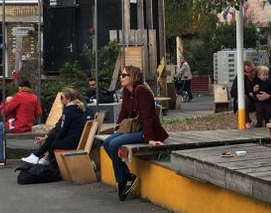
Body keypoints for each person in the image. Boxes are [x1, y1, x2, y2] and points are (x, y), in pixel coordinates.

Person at [101, 65, 168, 201]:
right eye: (121, 75)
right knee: (107, 142)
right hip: (134, 128)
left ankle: (123, 180)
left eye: (124, 75)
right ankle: (127, 175)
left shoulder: (141, 91)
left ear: (133, 77)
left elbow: (147, 116)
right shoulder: (127, 91)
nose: (121, 77)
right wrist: (118, 127)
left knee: (114, 144)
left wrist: (149, 138)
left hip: (147, 131)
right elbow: (124, 112)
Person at [22, 88, 88, 165]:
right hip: (76, 140)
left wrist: (52, 139)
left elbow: (62, 129)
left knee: (53, 143)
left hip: (71, 142)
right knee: (53, 138)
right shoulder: (76, 109)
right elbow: (60, 126)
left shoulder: (69, 111)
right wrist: (48, 137)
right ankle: (40, 157)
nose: (60, 100)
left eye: (62, 97)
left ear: (68, 99)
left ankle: (39, 158)